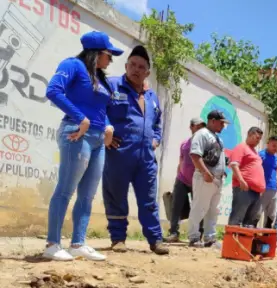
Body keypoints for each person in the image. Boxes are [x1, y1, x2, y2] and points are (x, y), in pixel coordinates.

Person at [43, 31, 123, 261]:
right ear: (96, 53)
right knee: (65, 189)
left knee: (87, 195)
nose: (111, 60)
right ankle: (52, 244)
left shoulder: (99, 77)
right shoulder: (73, 65)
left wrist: (108, 127)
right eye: (109, 55)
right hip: (76, 134)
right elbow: (53, 91)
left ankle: (78, 243)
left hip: (98, 139)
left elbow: (100, 109)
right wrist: (80, 117)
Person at [103, 45, 168, 255]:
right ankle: (118, 238)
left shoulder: (152, 97)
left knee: (149, 200)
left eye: (141, 67)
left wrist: (156, 139)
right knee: (116, 196)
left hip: (146, 158)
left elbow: (157, 123)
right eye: (132, 65)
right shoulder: (112, 85)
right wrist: (106, 132)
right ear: (126, 65)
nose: (136, 69)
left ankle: (155, 240)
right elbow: (99, 110)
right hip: (119, 154)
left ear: (147, 72)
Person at [187, 110, 229, 247]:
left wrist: (223, 170)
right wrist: (205, 172)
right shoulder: (201, 134)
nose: (223, 126)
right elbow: (194, 155)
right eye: (221, 123)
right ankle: (193, 237)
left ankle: (210, 238)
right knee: (199, 207)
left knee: (213, 210)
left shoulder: (217, 138)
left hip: (217, 179)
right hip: (205, 177)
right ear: (212, 121)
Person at [165, 117, 206, 242]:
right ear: (191, 127)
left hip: (197, 180)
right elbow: (181, 160)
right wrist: (178, 176)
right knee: (175, 206)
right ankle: (173, 233)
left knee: (198, 208)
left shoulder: (204, 144)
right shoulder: (184, 144)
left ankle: (198, 234)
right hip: (182, 179)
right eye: (197, 126)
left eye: (201, 127)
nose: (199, 129)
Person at [227, 127, 265, 227]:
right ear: (249, 134)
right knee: (237, 217)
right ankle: (232, 241)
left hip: (255, 192)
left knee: (250, 222)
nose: (258, 141)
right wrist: (241, 180)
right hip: (243, 188)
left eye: (260, 139)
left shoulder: (255, 152)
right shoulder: (241, 147)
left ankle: (244, 242)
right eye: (257, 137)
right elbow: (234, 165)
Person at [256, 135, 277, 228]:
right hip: (262, 189)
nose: (276, 148)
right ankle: (252, 237)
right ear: (268, 144)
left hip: (274, 189)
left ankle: (265, 238)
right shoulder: (260, 155)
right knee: (257, 213)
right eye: (274, 145)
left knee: (271, 215)